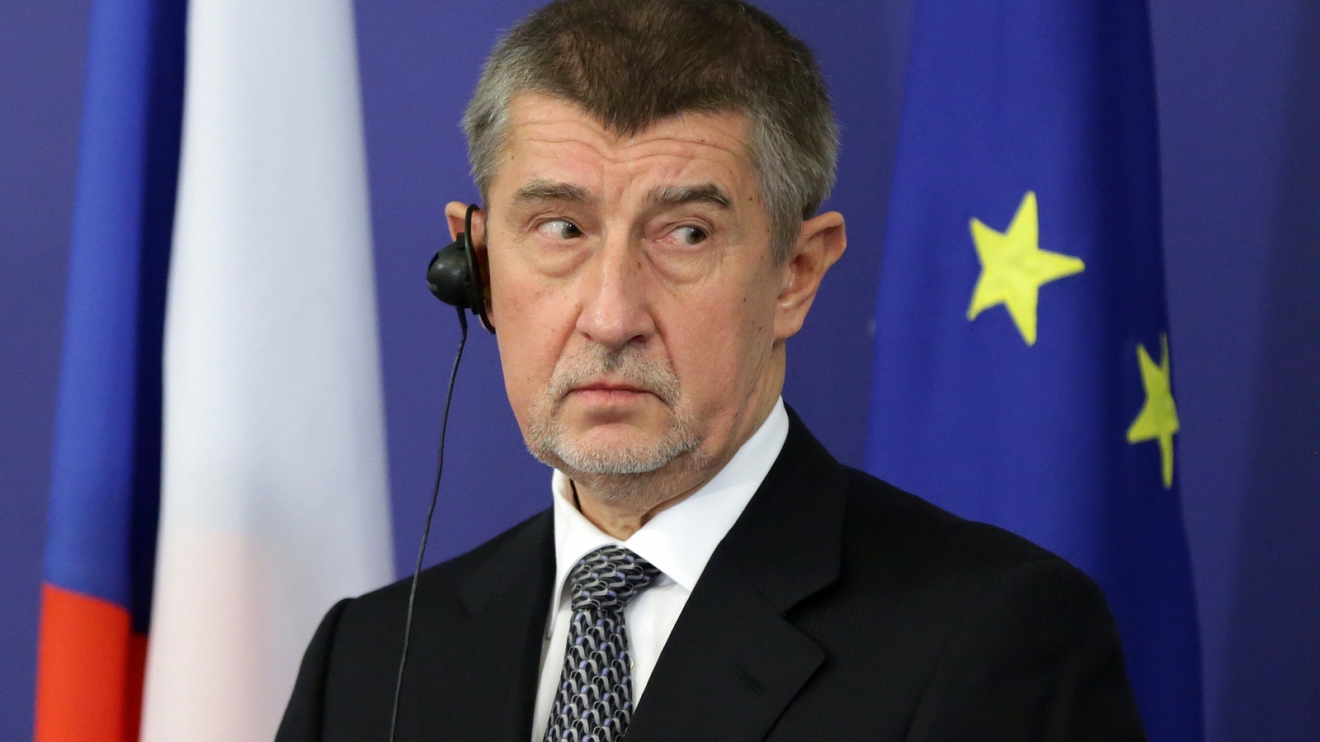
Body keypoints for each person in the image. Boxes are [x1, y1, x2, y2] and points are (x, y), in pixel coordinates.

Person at [276, 0, 1146, 740]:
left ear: (795, 274)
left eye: (686, 234)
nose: (611, 315)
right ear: (477, 266)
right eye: (561, 229)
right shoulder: (367, 660)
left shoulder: (994, 639)